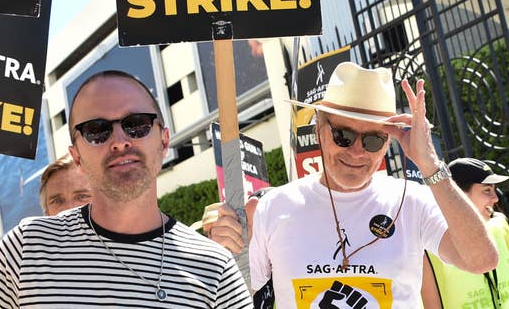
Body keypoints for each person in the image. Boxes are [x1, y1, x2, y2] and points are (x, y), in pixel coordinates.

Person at [0, 70, 253, 308]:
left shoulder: (213, 268)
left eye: (136, 124)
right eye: (96, 130)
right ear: (77, 155)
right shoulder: (29, 246)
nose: (119, 140)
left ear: (163, 139)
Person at [212, 62, 497, 307]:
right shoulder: (274, 207)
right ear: (319, 131)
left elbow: (481, 260)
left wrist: (431, 165)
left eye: (373, 140)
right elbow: (241, 297)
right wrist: (226, 254)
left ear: (387, 144)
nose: (358, 152)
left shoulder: (412, 200)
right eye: (344, 136)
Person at [423, 158, 509, 308]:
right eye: (487, 190)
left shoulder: (501, 225)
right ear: (459, 196)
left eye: (494, 190)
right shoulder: (431, 242)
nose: (495, 198)